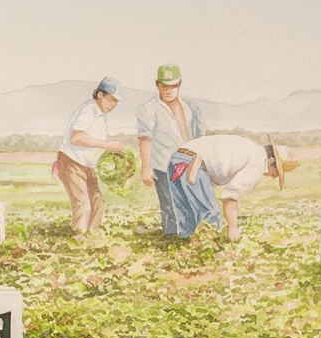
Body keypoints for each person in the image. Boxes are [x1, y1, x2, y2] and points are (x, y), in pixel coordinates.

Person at [135, 64, 220, 239]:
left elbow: (201, 135)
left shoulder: (190, 107)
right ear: (157, 85)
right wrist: (146, 167)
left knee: (197, 200)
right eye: (164, 86)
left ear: (179, 85)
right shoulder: (148, 108)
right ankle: (173, 240)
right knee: (170, 206)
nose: (168, 90)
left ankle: (202, 237)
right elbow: (145, 139)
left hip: (190, 162)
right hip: (164, 164)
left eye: (173, 86)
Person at [175, 131, 292, 243]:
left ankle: (184, 247)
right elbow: (231, 196)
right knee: (210, 218)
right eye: (277, 172)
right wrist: (233, 228)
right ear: (271, 160)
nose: (274, 177)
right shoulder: (257, 164)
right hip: (194, 164)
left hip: (177, 157)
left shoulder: (251, 148)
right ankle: (205, 253)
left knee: (184, 215)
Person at [53, 78, 124, 234]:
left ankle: (91, 237)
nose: (114, 105)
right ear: (100, 95)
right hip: (72, 162)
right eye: (111, 99)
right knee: (83, 204)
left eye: (116, 101)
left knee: (97, 202)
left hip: (87, 165)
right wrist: (108, 145)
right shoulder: (88, 110)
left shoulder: (101, 114)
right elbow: (76, 137)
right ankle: (79, 241)